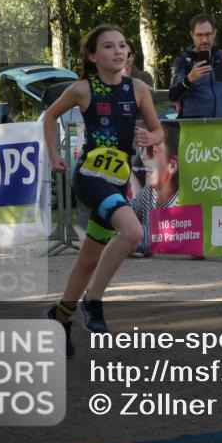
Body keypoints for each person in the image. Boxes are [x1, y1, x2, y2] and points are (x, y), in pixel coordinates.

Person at [42, 25, 165, 355]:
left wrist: (152, 138)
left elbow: (157, 130)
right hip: (90, 178)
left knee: (87, 261)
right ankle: (92, 302)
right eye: (109, 46)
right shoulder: (82, 89)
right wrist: (54, 156)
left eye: (123, 45)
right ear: (93, 56)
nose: (119, 51)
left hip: (117, 181)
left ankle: (60, 317)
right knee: (131, 231)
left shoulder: (138, 88)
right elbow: (50, 117)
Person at [169, 14, 222, 119]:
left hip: (220, 124)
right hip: (193, 125)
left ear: (214, 33)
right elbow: (173, 95)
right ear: (192, 35)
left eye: (208, 34)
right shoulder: (183, 61)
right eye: (199, 35)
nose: (204, 40)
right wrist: (189, 79)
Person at [129, 121, 180, 258]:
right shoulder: (148, 193)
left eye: (153, 150)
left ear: (172, 165)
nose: (143, 157)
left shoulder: (183, 203)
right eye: (144, 149)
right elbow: (123, 218)